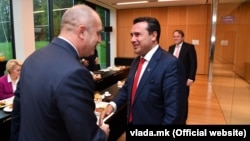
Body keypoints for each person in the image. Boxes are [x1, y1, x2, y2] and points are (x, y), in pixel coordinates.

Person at [10, 4, 109, 141]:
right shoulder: (76, 73)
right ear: (81, 32)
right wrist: (102, 133)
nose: (100, 40)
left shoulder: (31, 59)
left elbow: (17, 114)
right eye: (98, 33)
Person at [99, 17, 187, 125]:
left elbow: (174, 114)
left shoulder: (171, 64)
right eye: (131, 35)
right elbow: (128, 88)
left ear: (154, 35)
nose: (132, 39)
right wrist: (112, 105)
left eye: (137, 34)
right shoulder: (137, 61)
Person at [168, 29, 197, 123]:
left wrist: (191, 77)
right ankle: (173, 115)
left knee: (183, 98)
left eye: (178, 36)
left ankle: (183, 119)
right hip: (172, 78)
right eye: (174, 36)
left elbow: (193, 63)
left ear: (182, 37)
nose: (175, 38)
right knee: (172, 97)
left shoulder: (189, 47)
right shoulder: (171, 48)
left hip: (184, 79)